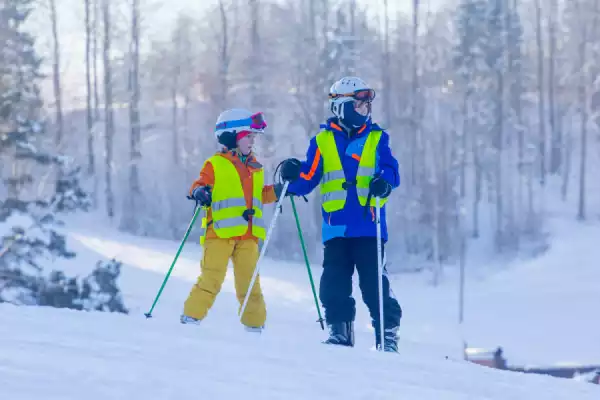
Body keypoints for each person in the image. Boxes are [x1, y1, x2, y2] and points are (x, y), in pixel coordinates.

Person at [278, 77, 402, 352]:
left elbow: (392, 170)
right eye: (359, 105)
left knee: (374, 284)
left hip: (369, 226)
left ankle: (387, 334)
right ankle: (339, 330)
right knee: (333, 283)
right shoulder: (322, 141)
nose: (365, 110)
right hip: (336, 228)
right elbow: (309, 177)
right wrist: (287, 182)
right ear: (342, 106)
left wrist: (385, 181)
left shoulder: (377, 138)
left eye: (367, 105)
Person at [181, 108, 283, 332]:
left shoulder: (255, 168)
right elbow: (198, 184)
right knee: (211, 279)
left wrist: (279, 190)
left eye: (253, 137)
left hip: (248, 237)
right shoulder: (215, 164)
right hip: (219, 234)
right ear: (232, 136)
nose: (252, 140)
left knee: (250, 285)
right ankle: (190, 319)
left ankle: (255, 327)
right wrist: (199, 192)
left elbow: (261, 195)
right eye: (248, 136)